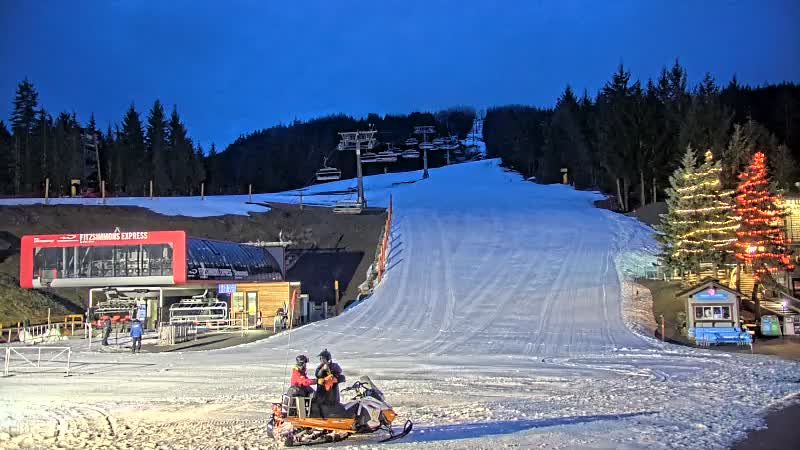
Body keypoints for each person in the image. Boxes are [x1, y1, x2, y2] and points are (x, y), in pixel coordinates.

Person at [310, 349, 347, 418]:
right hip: (322, 395)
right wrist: (323, 369)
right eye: (320, 358)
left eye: (323, 358)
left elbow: (342, 377)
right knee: (319, 406)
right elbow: (318, 375)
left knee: (332, 406)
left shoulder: (334, 366)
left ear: (328, 358)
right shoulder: (319, 368)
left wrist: (335, 379)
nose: (321, 360)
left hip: (332, 395)